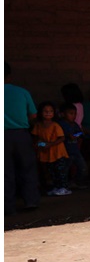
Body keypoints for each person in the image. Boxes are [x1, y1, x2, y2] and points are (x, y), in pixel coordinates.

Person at [5, 63, 40, 212]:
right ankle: (31, 201)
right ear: (9, 76)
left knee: (5, 172)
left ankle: (7, 206)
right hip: (21, 134)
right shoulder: (22, 92)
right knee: (27, 169)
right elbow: (33, 115)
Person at [32, 101, 72, 196]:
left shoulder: (55, 125)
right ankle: (56, 187)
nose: (48, 113)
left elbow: (62, 138)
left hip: (57, 151)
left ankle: (64, 188)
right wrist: (41, 144)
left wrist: (50, 144)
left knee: (60, 171)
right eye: (45, 111)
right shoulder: (38, 125)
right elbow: (36, 137)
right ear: (40, 112)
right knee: (51, 171)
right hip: (47, 151)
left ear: (54, 113)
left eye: (50, 111)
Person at [57, 103, 90, 190]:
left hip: (75, 151)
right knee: (64, 170)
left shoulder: (74, 124)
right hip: (65, 152)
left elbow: (80, 133)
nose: (73, 116)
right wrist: (70, 135)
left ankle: (77, 182)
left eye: (75, 114)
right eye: (71, 113)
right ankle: (63, 185)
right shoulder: (60, 124)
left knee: (83, 168)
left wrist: (76, 135)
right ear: (63, 114)